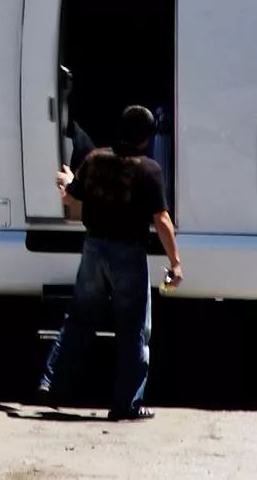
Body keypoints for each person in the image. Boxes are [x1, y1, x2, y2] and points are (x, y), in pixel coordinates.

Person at [39, 105, 183, 421]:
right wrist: (175, 262)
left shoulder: (95, 160)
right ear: (147, 139)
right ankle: (126, 404)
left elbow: (70, 197)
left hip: (93, 249)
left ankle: (53, 383)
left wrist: (67, 180)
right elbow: (161, 219)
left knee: (78, 320)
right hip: (127, 254)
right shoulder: (149, 170)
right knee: (132, 330)